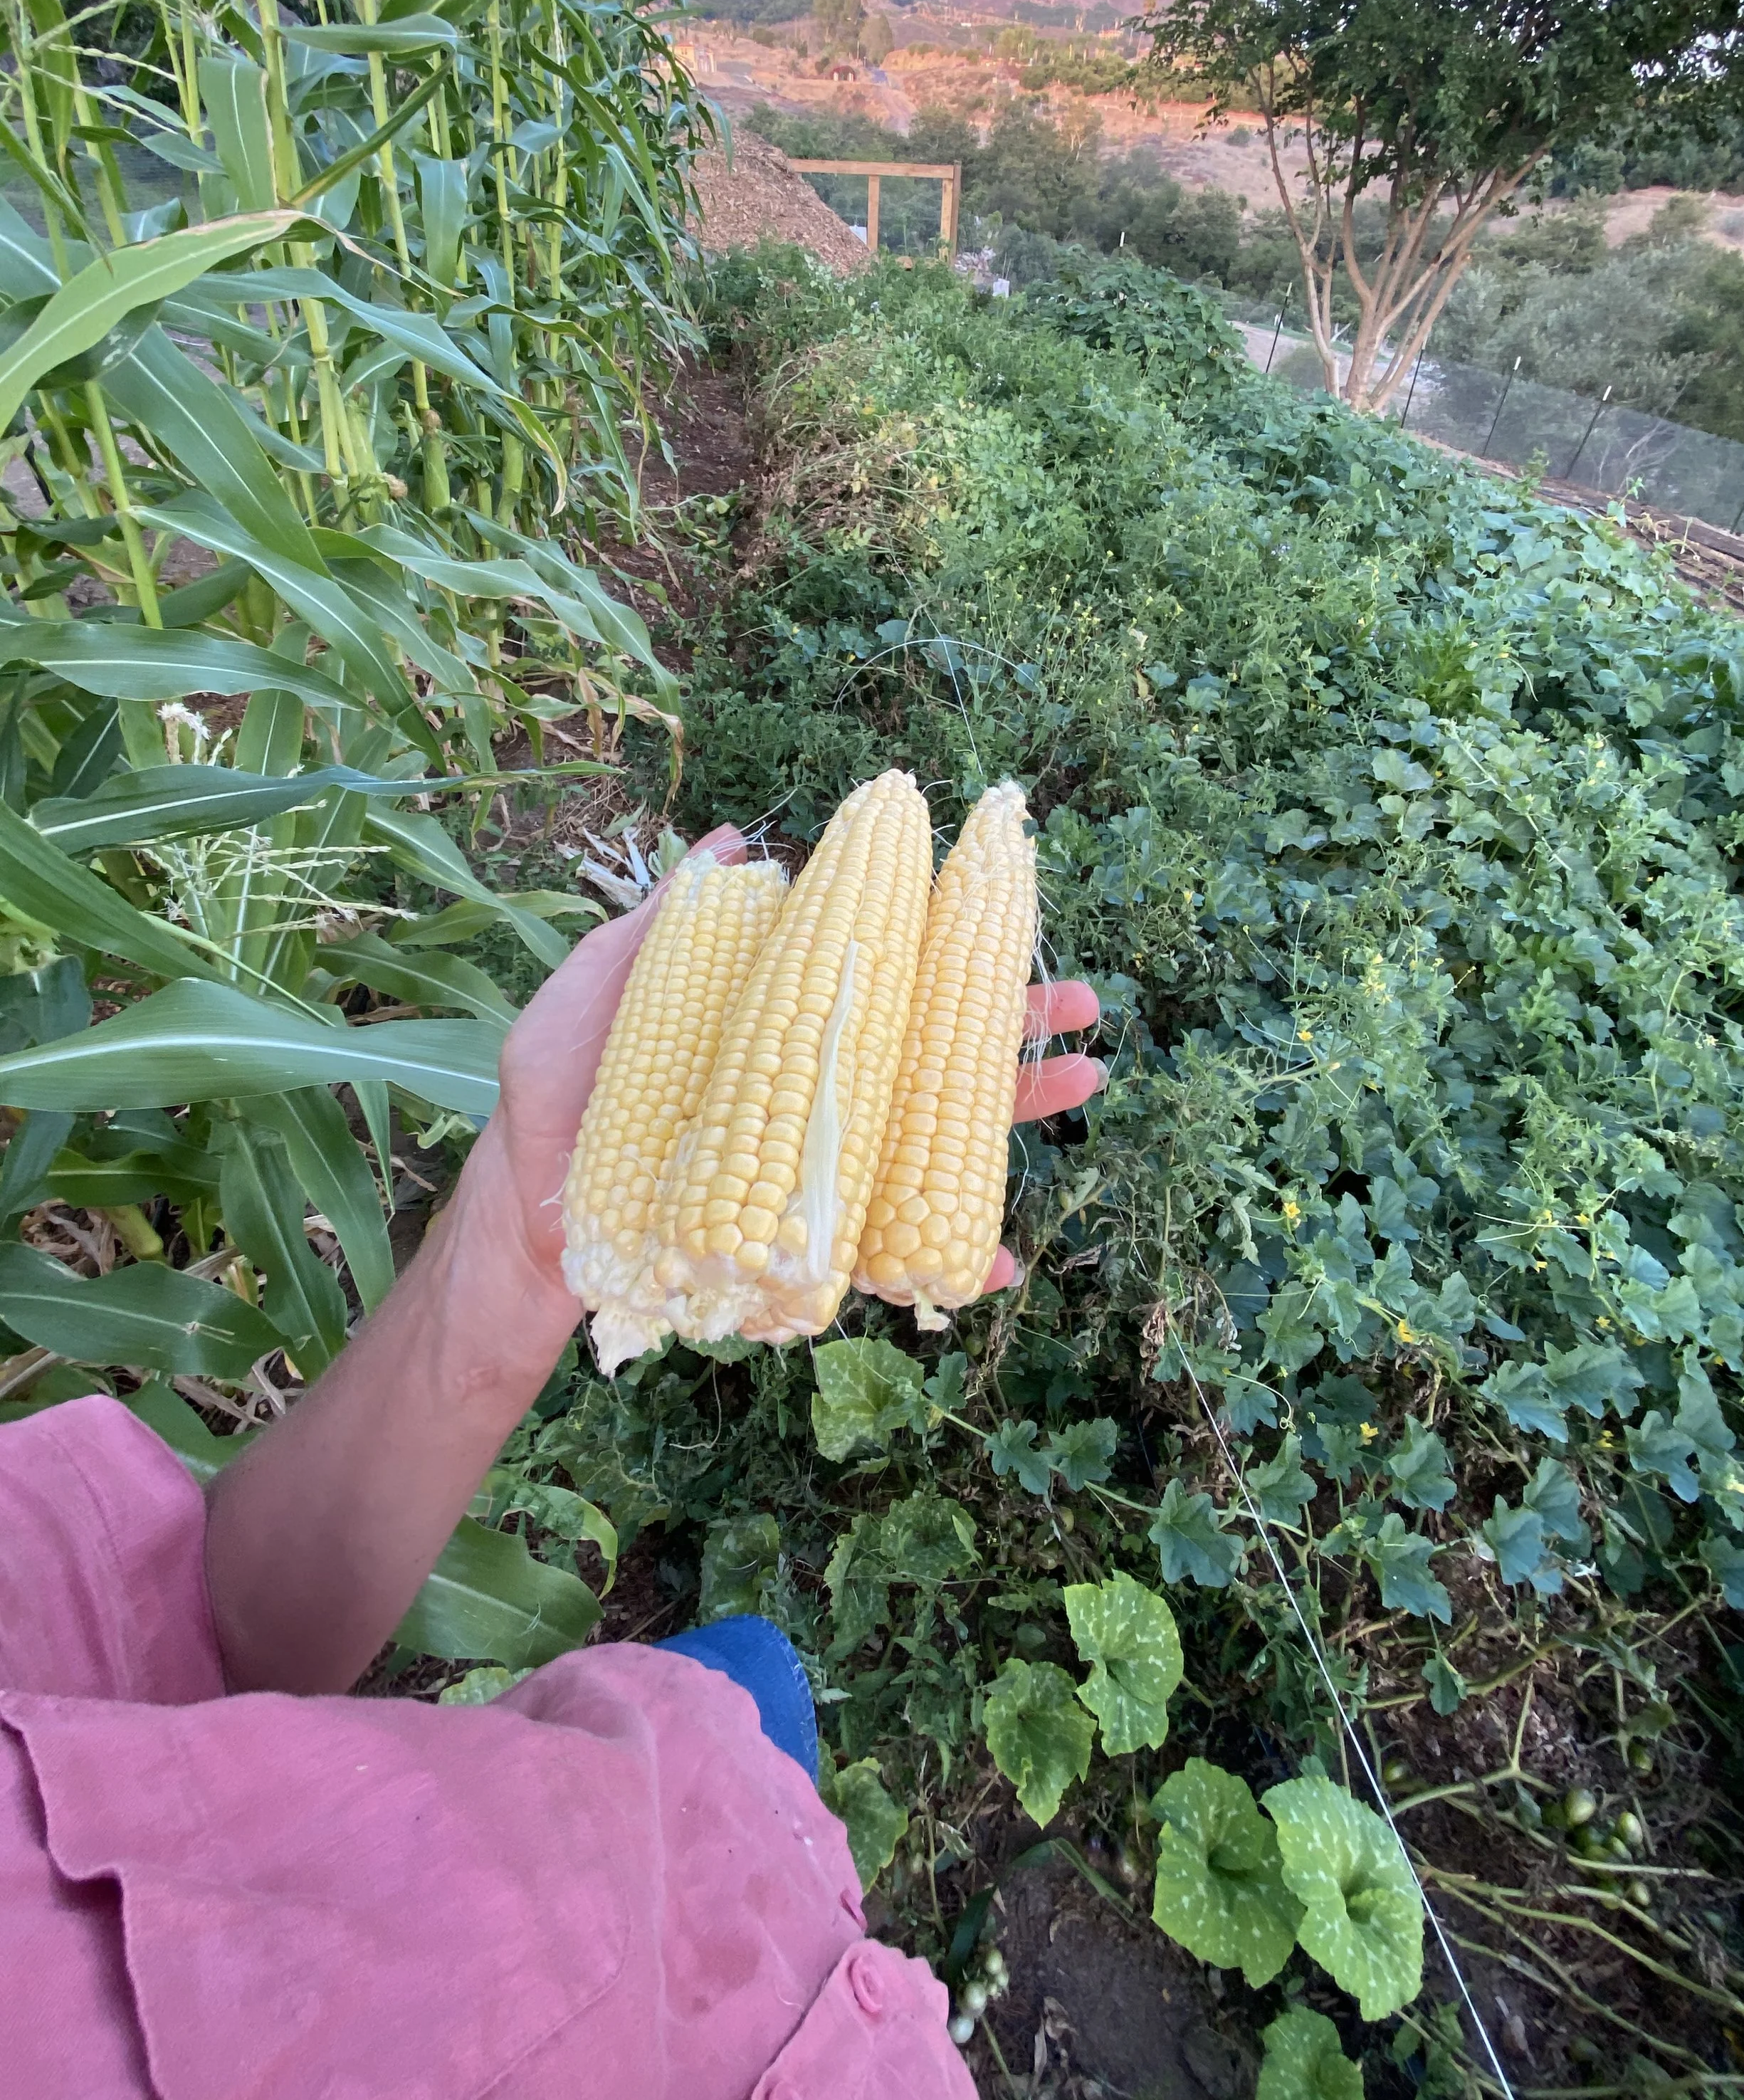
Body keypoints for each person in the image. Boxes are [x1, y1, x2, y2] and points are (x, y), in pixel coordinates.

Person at [0, 824, 1103, 2099]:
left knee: (748, 1675)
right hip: (784, 2032)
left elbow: (201, 1619)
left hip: (626, 1800)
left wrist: (521, 1238)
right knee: (757, 1678)